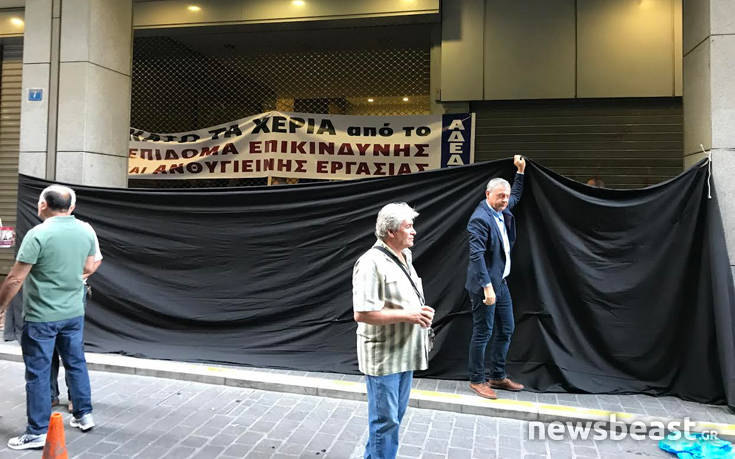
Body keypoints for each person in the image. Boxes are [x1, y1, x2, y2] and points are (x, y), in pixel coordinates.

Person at [0, 184, 97, 450]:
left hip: (42, 316)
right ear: (70, 207)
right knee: (76, 362)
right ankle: (84, 415)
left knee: (38, 372)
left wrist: (1, 307)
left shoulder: (38, 234)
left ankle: (37, 432)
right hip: (73, 313)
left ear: (43, 205)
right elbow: (90, 266)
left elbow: (15, 278)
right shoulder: (86, 230)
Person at [352, 202, 434, 459]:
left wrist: (419, 310)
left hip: (404, 354)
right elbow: (362, 313)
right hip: (384, 358)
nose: (414, 231)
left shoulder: (405, 255)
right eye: (408, 226)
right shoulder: (370, 263)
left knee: (392, 419)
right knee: (385, 423)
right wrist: (410, 315)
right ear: (391, 232)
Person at [466, 155, 526, 399]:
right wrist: (487, 287)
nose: (505, 200)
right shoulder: (479, 219)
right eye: (500, 196)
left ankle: (498, 376)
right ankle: (476, 380)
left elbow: (516, 196)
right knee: (483, 332)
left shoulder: (502, 207)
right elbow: (476, 256)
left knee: (507, 328)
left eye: (506, 196)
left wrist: (520, 171)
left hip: (501, 282)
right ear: (487, 195)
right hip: (485, 285)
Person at [50, 215, 102, 412]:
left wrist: (79, 277)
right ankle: (49, 395)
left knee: (71, 347)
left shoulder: (84, 229)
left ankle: (75, 398)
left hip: (72, 293)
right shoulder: (44, 230)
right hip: (48, 293)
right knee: (48, 346)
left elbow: (96, 260)